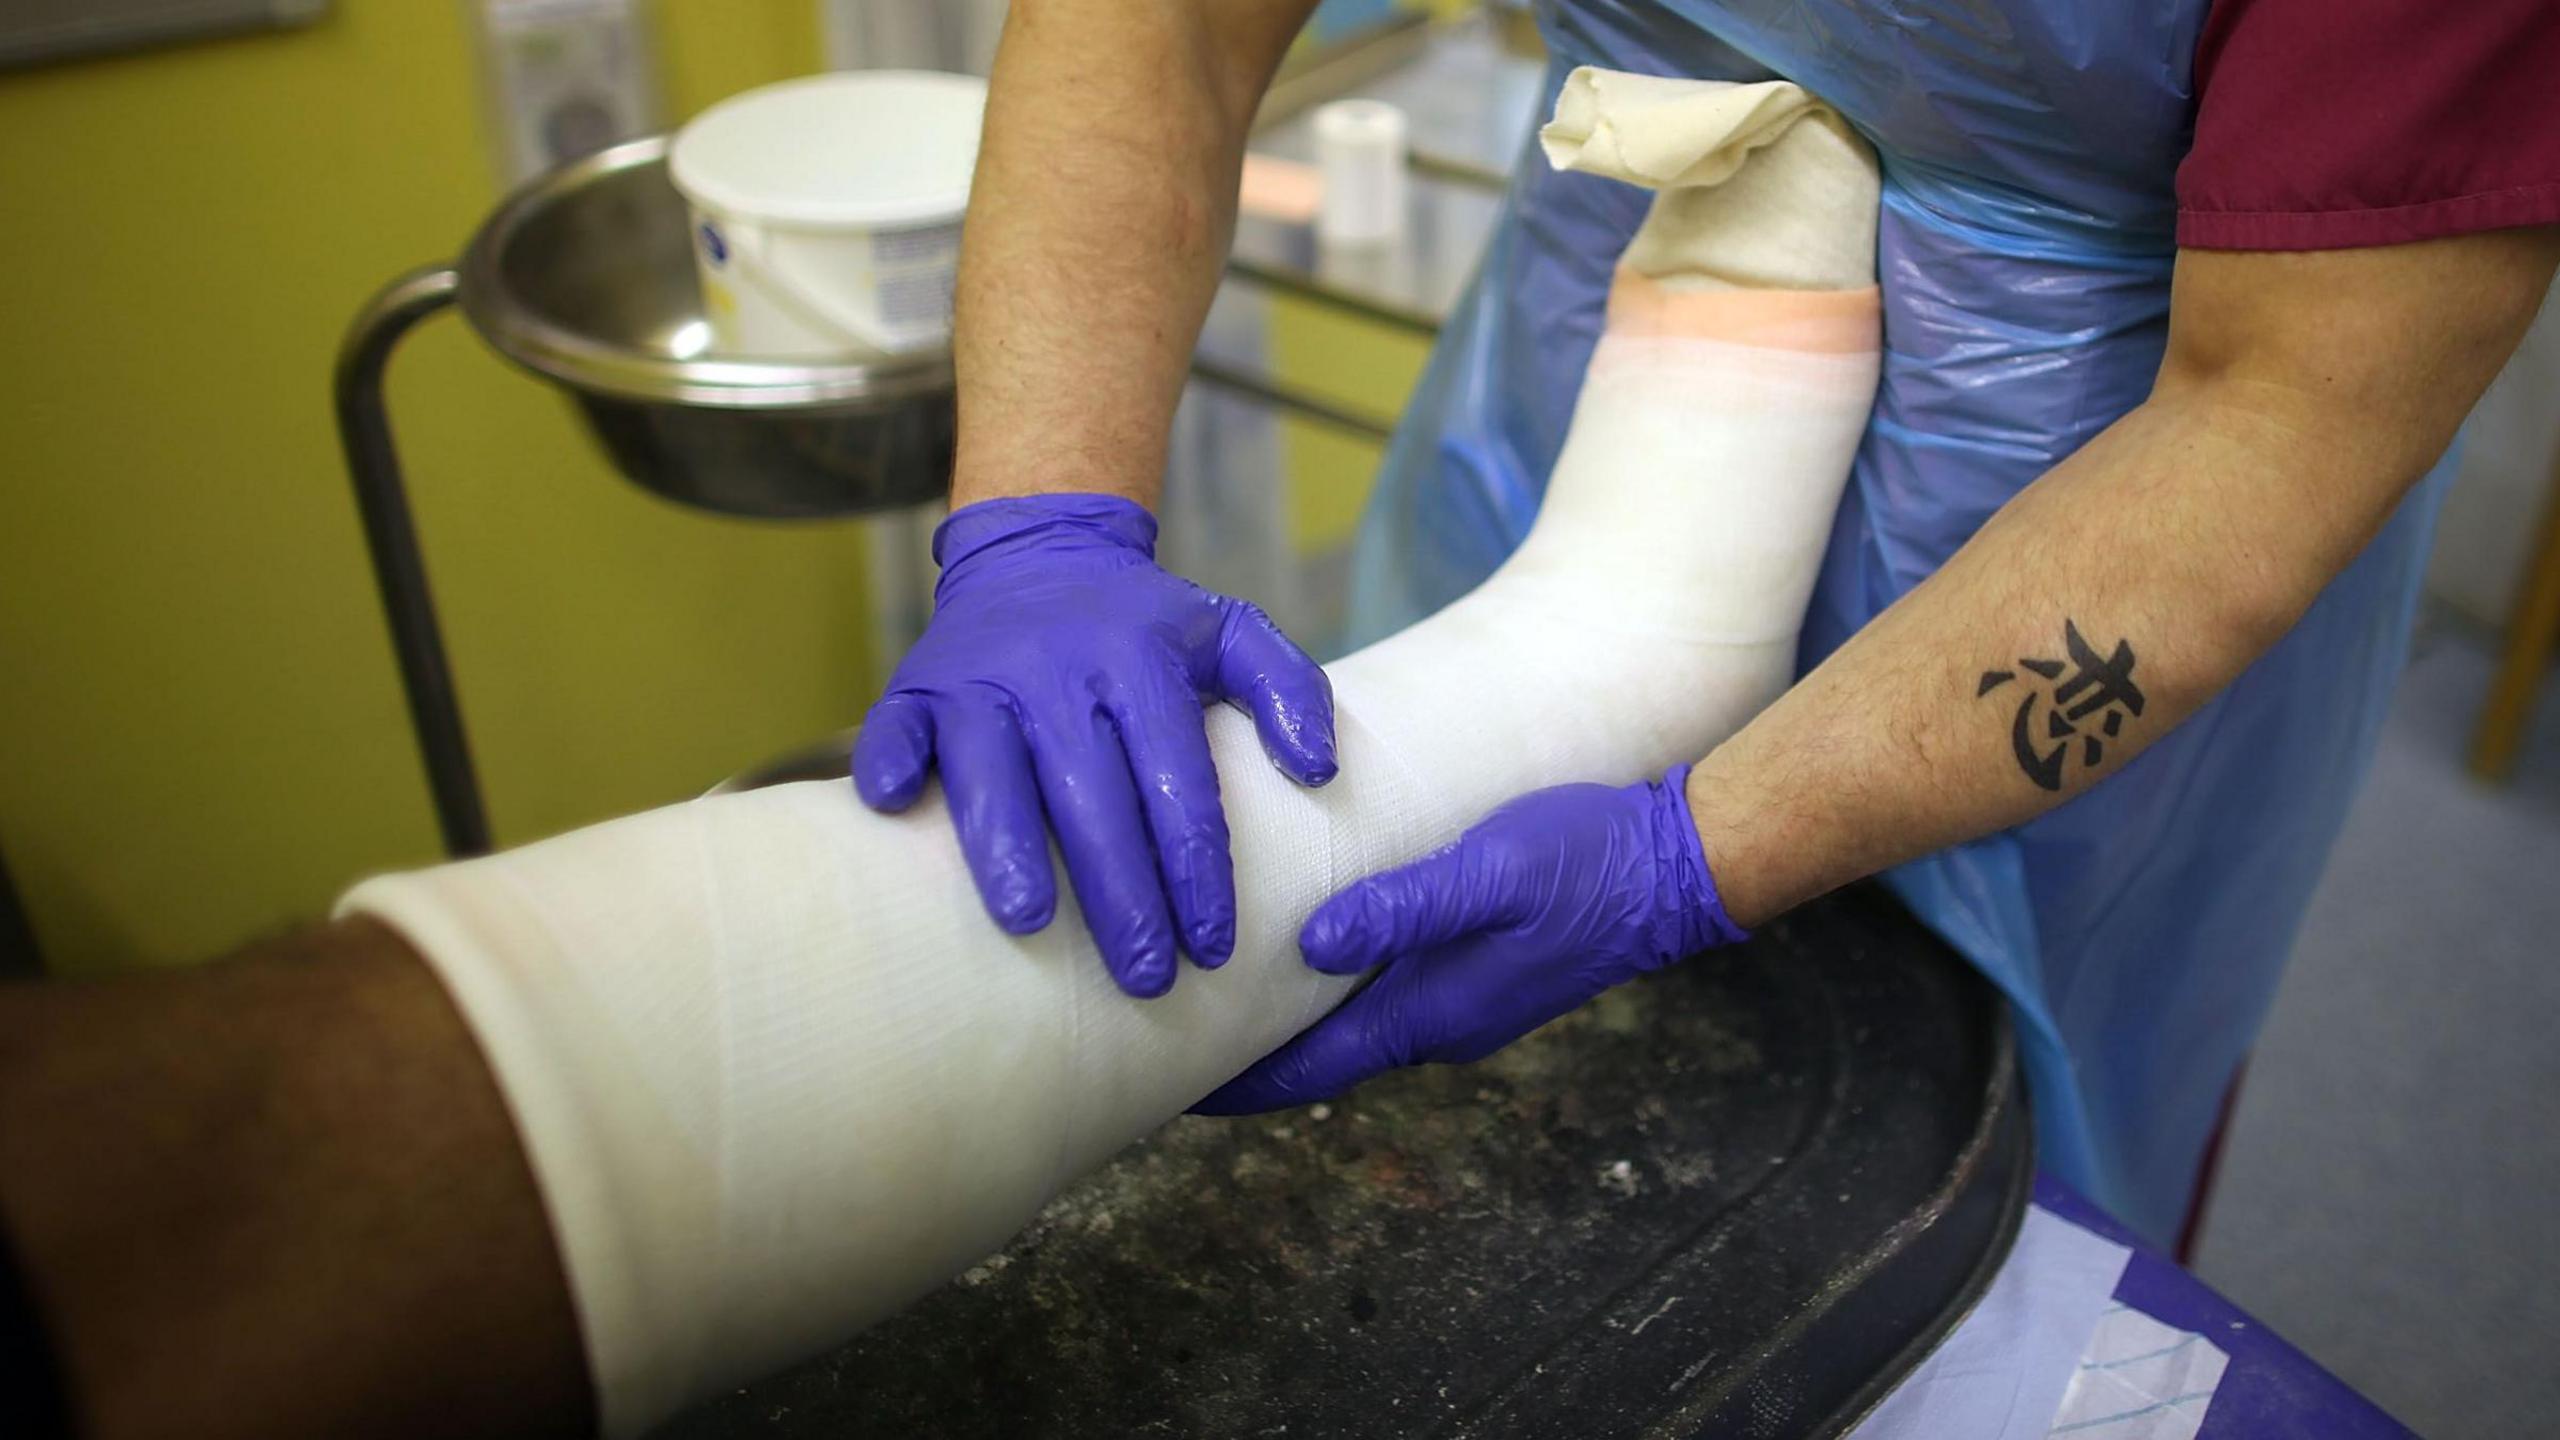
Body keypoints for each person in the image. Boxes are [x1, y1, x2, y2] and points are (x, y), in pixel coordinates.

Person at [858, 0, 2560, 1246]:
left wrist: (1697, 853)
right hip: (1600, 421)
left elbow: (2284, 413)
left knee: (1954, 1213)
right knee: (1446, 1146)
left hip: (2109, 537)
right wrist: (1042, 517)